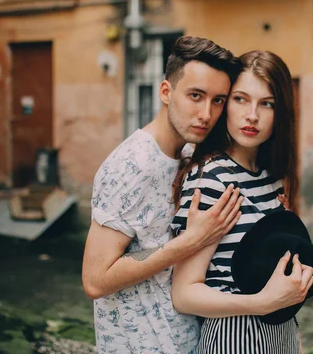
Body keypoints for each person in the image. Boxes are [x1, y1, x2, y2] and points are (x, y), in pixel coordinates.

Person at [82, 36, 245, 353]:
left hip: (185, 340)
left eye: (218, 101)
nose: (206, 114)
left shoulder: (187, 153)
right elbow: (95, 279)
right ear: (166, 92)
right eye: (195, 96)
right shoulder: (130, 167)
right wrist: (190, 241)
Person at [171, 50, 313, 353]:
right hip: (233, 337)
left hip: (282, 335)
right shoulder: (212, 178)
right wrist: (261, 303)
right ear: (225, 105)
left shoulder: (272, 176)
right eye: (240, 99)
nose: (253, 115)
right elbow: (184, 294)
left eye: (267, 104)